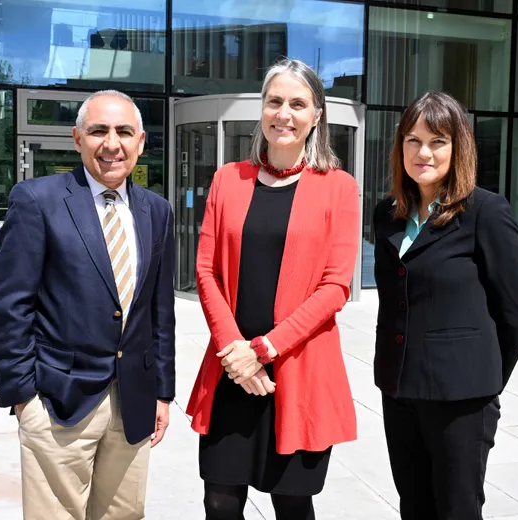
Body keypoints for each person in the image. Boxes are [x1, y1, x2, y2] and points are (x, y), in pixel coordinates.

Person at [0, 90, 176, 520]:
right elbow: (9, 305)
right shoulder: (37, 200)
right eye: (99, 131)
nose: (113, 144)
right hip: (57, 403)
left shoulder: (157, 211)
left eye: (124, 132)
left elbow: (160, 310)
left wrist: (162, 390)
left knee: (125, 515)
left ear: (141, 142)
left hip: (133, 403)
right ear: (77, 139)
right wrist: (23, 396)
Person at [186, 58, 360, 520]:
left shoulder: (339, 187)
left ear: (316, 115)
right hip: (232, 369)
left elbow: (335, 286)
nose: (284, 113)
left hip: (297, 368)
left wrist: (263, 349)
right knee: (219, 501)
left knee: (292, 503)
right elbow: (206, 272)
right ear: (261, 110)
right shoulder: (228, 179)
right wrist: (236, 353)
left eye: (297, 104)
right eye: (275, 101)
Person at [372, 90, 518, 520]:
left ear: (457, 147)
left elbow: (515, 312)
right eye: (413, 140)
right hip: (399, 389)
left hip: (461, 397)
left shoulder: (486, 212)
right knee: (414, 507)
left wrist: (486, 382)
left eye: (437, 141)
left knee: (457, 510)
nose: (423, 152)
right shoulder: (386, 213)